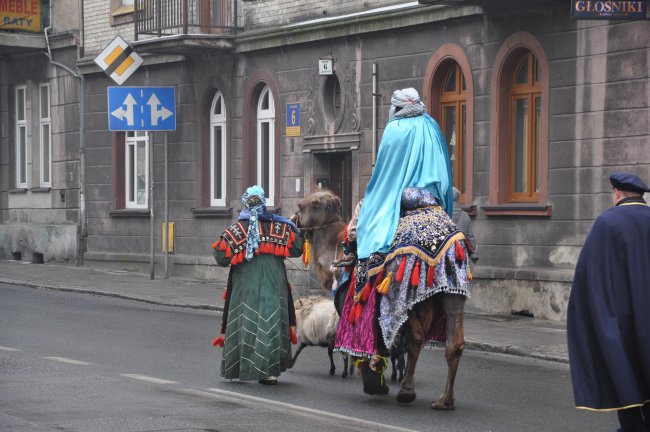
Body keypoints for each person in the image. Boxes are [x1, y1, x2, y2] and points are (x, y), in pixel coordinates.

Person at [335, 88, 472, 399]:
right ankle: (424, 385)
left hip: (402, 203)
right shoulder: (433, 126)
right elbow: (444, 176)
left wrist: (372, 210)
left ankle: (372, 351)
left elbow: (386, 177)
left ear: (395, 109)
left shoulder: (395, 129)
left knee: (364, 269)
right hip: (437, 208)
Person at [567, 172, 650, 432]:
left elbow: (589, 275)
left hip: (621, 318)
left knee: (623, 372)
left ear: (616, 192)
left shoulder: (607, 222)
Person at [211, 185, 304, 385]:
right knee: (270, 322)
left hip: (244, 291)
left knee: (245, 323)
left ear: (245, 203)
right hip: (274, 286)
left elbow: (220, 256)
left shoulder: (236, 230)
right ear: (264, 203)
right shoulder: (281, 227)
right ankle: (269, 372)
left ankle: (240, 367)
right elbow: (297, 249)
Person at [451, 187, 477, 259]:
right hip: (461, 253)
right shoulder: (465, 215)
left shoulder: (443, 214)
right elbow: (470, 236)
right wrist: (473, 251)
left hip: (445, 255)